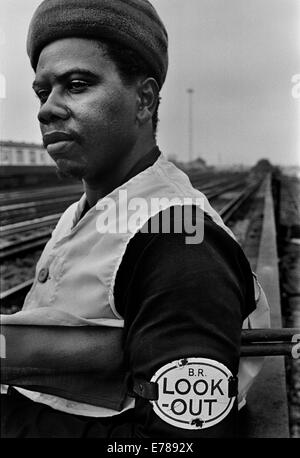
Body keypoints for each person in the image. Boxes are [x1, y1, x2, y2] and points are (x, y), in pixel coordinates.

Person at [0, 0, 269, 438]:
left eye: (77, 84)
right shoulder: (86, 211)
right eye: (42, 92)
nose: (46, 109)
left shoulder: (180, 243)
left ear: (144, 100)